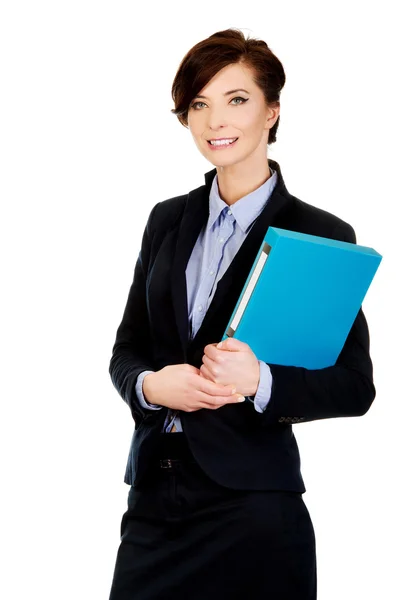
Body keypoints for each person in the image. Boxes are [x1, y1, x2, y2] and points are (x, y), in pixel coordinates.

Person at [107, 28, 375, 600]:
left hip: (254, 509)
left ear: (272, 111)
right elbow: (126, 350)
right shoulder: (166, 220)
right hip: (155, 499)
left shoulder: (320, 235)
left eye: (236, 100)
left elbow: (354, 387)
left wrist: (260, 381)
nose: (214, 122)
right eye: (199, 104)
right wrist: (152, 385)